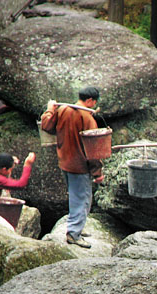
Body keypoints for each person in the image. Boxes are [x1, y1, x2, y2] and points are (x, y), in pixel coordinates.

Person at [41, 86, 103, 249]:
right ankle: (74, 234)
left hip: (65, 162)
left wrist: (49, 111)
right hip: (79, 166)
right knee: (82, 200)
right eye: (94, 102)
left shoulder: (62, 110)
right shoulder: (87, 118)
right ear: (90, 101)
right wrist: (97, 172)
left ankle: (77, 228)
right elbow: (93, 150)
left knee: (77, 197)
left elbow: (46, 126)